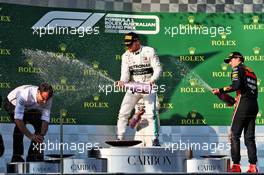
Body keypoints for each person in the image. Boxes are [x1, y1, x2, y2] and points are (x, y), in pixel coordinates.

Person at [212, 52, 258, 173]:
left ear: (238, 59)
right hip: (254, 105)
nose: (230, 63)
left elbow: (236, 85)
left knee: (234, 135)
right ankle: (253, 166)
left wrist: (220, 90)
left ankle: (236, 165)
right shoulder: (251, 71)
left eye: (231, 60)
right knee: (249, 137)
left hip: (243, 104)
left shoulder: (237, 69)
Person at [116, 32, 162, 146]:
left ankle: (154, 139)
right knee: (123, 113)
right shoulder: (125, 55)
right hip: (134, 86)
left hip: (148, 86)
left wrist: (152, 80)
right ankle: (119, 138)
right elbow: (125, 74)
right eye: (126, 45)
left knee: (151, 113)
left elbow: (158, 68)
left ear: (137, 42)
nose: (128, 47)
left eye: (130, 44)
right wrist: (122, 82)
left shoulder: (149, 51)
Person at [4, 83, 53, 162]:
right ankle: (17, 157)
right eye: (43, 98)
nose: (44, 102)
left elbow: (45, 120)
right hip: (11, 103)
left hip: (29, 107)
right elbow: (18, 119)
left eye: (46, 99)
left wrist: (41, 135)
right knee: (20, 126)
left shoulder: (48, 99)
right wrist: (31, 136)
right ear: (38, 92)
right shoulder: (24, 94)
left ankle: (33, 155)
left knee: (40, 126)